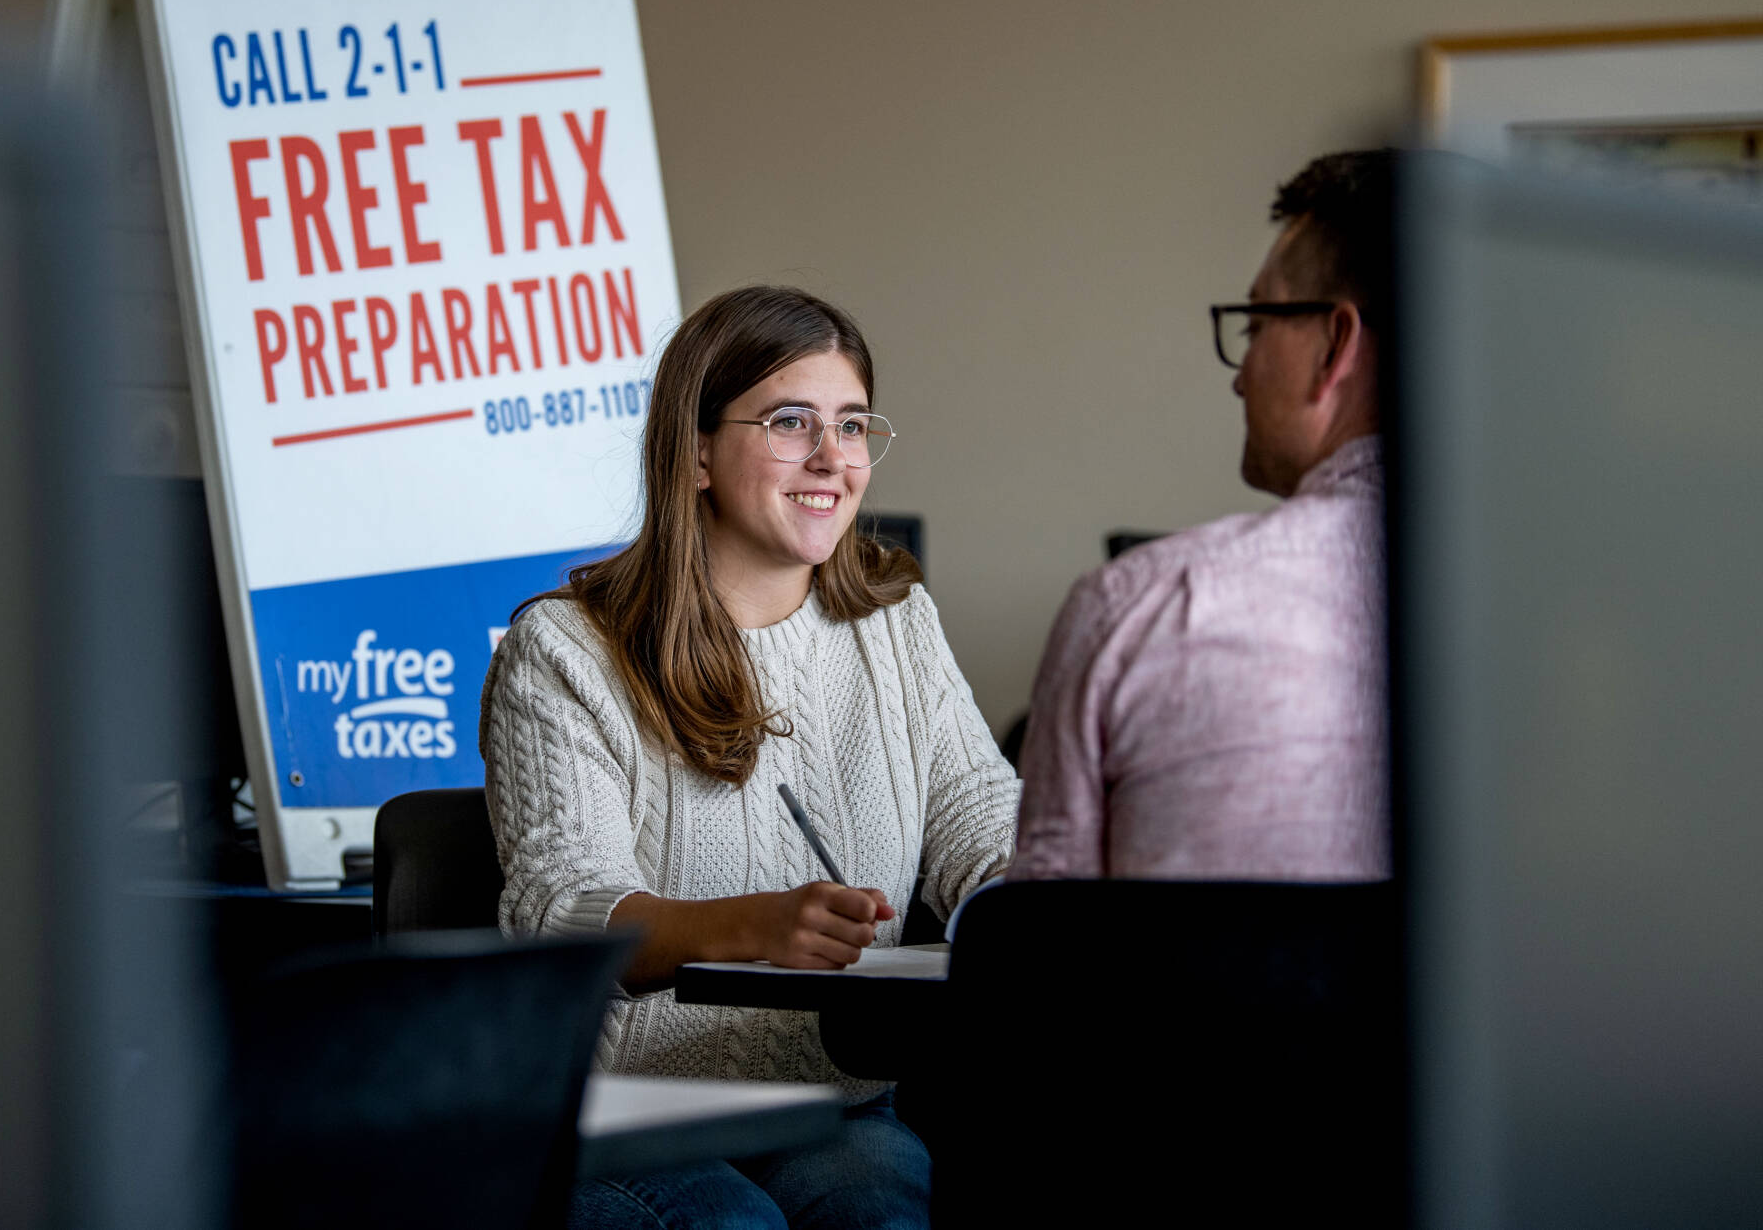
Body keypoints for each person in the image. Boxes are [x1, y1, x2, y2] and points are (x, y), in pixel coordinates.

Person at [480, 285, 1018, 1229]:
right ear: (693, 453)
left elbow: (980, 815)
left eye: (851, 426)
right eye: (789, 422)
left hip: (834, 1101)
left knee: (885, 1215)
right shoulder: (566, 650)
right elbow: (561, 912)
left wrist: (1031, 901)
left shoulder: (895, 625)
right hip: (623, 1111)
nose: (830, 460)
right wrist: (750, 927)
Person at [1011, 149, 1394, 881]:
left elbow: (1047, 964)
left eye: (1255, 326)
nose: (1241, 378)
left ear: (1336, 347)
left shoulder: (1140, 608)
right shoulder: (1618, 635)